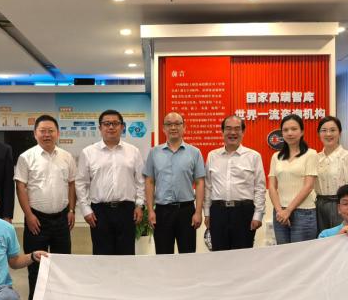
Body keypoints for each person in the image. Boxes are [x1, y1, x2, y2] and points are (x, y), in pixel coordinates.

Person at [14, 115, 76, 300]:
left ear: (58, 133)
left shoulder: (67, 157)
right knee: (36, 264)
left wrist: (71, 210)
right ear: (35, 134)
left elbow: (71, 185)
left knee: (62, 263)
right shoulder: (26, 157)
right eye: (42, 131)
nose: (47, 134)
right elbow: (20, 187)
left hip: (62, 218)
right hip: (36, 219)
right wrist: (28, 215)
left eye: (51, 131)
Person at [75, 109, 145, 255]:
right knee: (102, 256)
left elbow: (140, 181)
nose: (111, 127)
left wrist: (139, 205)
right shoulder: (88, 152)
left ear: (122, 127)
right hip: (100, 212)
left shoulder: (133, 152)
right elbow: (81, 183)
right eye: (106, 124)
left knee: (126, 255)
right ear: (100, 128)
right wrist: (86, 209)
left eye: (115, 123)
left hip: (127, 211)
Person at [143, 112, 205, 254]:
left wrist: (198, 212)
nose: (173, 127)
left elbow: (200, 182)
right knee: (163, 255)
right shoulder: (154, 152)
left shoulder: (194, 152)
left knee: (187, 254)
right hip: (162, 211)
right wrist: (151, 210)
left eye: (177, 124)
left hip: (186, 211)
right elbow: (150, 182)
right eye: (169, 124)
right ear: (163, 128)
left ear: (184, 127)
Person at [204, 115, 266, 251]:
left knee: (243, 256)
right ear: (222, 131)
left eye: (237, 129)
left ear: (243, 132)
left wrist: (258, 215)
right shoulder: (212, 155)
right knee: (219, 253)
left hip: (244, 212)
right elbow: (208, 187)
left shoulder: (253, 156)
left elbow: (260, 188)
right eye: (228, 128)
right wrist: (207, 213)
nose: (232, 132)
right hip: (218, 212)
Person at [268, 114, 318, 244]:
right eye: (285, 130)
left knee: (302, 254)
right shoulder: (276, 156)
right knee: (284, 253)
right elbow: (272, 186)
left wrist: (288, 210)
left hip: (303, 213)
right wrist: (280, 211)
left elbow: (308, 186)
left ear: (302, 132)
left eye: (294, 129)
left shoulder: (311, 154)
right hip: (280, 213)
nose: (289, 133)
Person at [314, 115, 348, 233]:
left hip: (341, 204)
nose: (328, 134)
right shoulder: (315, 158)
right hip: (319, 205)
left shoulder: (347, 156)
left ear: (339, 133)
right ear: (319, 134)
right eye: (324, 130)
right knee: (323, 239)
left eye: (333, 130)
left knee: (342, 238)